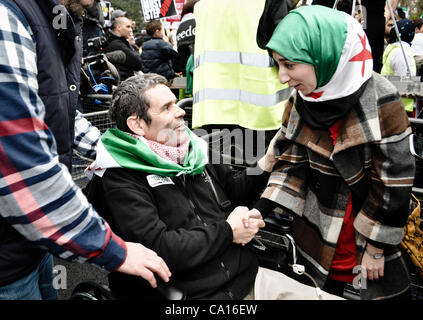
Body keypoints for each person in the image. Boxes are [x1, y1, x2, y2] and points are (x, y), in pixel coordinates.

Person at [83, 73, 342, 300]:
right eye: (167, 107)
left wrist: (266, 162)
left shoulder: (191, 150)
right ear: (137, 124)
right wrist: (229, 231)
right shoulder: (119, 178)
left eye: (176, 102)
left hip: (248, 277)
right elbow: (161, 248)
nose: (181, 111)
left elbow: (234, 190)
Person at [0, 0, 170, 300]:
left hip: (33, 245)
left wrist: (128, 152)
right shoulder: (6, 16)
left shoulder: (56, 20)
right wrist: (111, 249)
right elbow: (20, 163)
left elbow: (61, 112)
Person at [252, 5, 415, 300]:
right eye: (278, 65)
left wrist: (377, 247)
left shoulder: (381, 98)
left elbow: (394, 182)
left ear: (322, 54)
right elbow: (290, 164)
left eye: (289, 64)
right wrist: (259, 211)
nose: (282, 78)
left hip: (365, 240)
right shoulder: (302, 99)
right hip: (318, 236)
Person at [381, 18, 416, 116]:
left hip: (390, 103)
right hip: (400, 107)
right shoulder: (402, 53)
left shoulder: (395, 49)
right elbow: (407, 82)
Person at [104, 16, 143, 81]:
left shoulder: (120, 42)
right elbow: (138, 63)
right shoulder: (117, 45)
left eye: (131, 27)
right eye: (128, 27)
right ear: (119, 27)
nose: (131, 30)